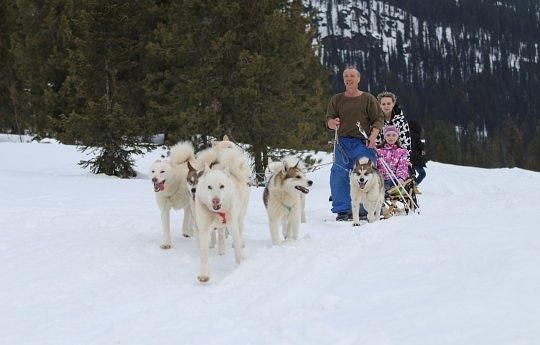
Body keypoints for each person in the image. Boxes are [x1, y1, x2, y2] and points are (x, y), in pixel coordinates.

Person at [326, 67, 384, 221]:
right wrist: (332, 123)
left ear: (358, 79)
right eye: (346, 76)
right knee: (339, 174)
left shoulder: (368, 98)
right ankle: (343, 210)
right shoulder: (336, 99)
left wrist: (373, 135)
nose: (348, 78)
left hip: (362, 142)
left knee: (366, 175)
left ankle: (366, 208)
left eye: (352, 76)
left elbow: (378, 118)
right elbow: (329, 119)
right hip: (342, 143)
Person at [376, 92, 411, 156]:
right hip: (381, 156)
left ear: (393, 104)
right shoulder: (376, 119)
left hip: (397, 156)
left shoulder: (401, 120)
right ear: (379, 105)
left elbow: (406, 141)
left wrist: (406, 159)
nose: (386, 106)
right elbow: (375, 140)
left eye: (388, 103)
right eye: (383, 104)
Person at [376, 125, 409, 190]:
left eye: (394, 135)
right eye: (388, 135)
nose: (391, 137)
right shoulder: (378, 151)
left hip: (394, 179)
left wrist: (401, 178)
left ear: (397, 137)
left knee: (390, 183)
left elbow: (402, 167)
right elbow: (374, 166)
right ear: (385, 137)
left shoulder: (401, 152)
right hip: (379, 179)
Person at [409, 120, 427, 187]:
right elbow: (419, 146)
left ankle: (411, 185)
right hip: (415, 159)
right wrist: (423, 147)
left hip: (408, 158)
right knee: (422, 173)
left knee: (411, 174)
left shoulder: (406, 134)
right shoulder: (416, 135)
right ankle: (413, 186)